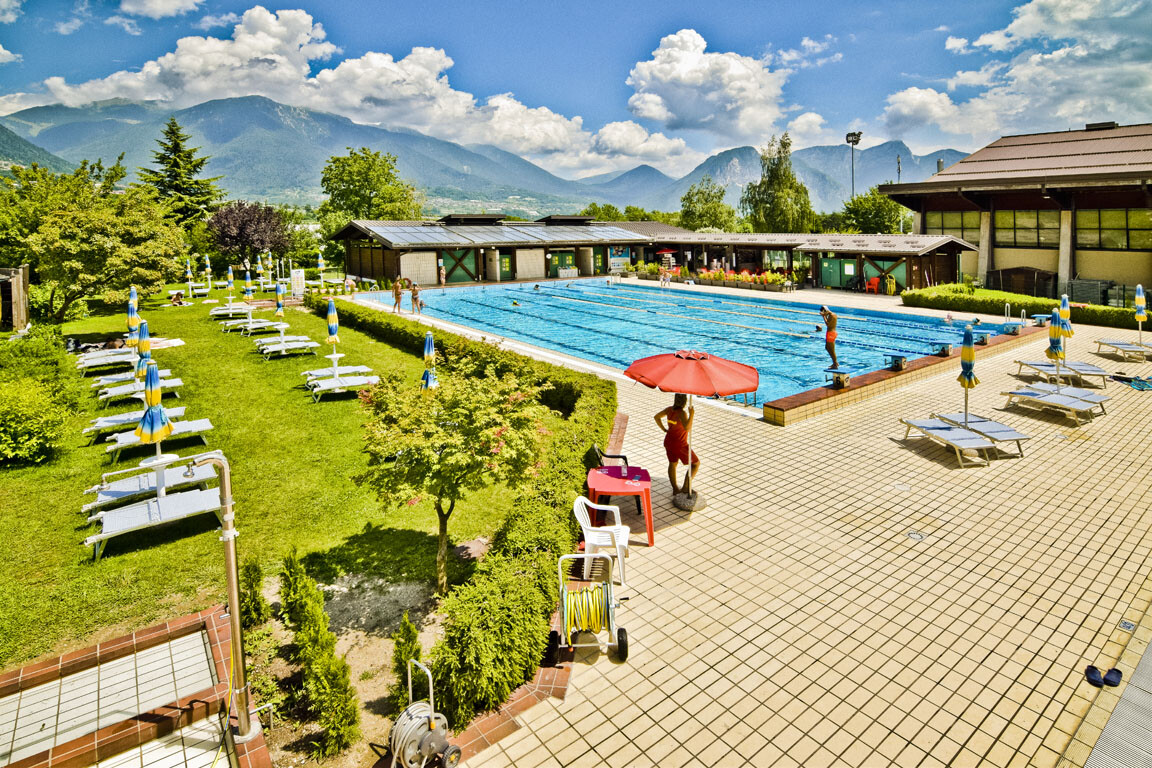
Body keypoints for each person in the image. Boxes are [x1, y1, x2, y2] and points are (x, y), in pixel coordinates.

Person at [655, 394, 699, 496]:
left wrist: (663, 429)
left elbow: (656, 417)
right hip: (680, 444)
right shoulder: (682, 413)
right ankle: (685, 487)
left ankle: (675, 489)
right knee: (695, 464)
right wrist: (692, 414)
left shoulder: (669, 409)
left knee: (672, 463)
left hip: (669, 441)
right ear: (684, 401)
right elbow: (687, 428)